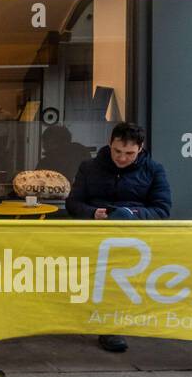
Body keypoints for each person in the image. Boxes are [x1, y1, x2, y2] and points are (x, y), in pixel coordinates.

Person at [66, 121, 172, 353]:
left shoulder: (154, 170)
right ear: (109, 144)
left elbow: (162, 209)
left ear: (140, 149)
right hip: (95, 233)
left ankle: (112, 326)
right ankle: (104, 323)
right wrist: (93, 213)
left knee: (117, 278)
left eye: (129, 153)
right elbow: (73, 203)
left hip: (135, 237)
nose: (122, 158)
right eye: (117, 151)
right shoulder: (89, 167)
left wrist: (132, 214)